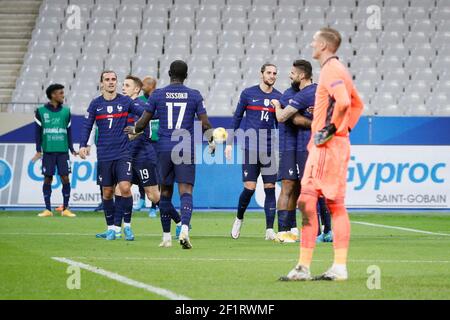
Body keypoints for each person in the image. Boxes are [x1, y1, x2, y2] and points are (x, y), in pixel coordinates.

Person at [280, 28, 364, 281]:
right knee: (336, 205)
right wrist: (343, 129)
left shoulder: (330, 69)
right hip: (337, 145)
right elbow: (357, 104)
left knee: (306, 201)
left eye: (315, 41)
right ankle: (339, 267)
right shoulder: (340, 70)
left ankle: (304, 267)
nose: (312, 44)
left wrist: (329, 130)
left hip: (326, 148)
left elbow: (345, 103)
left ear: (325, 45)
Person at [126, 60, 215, 249]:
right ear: (186, 75)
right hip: (185, 147)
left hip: (164, 148)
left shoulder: (158, 94)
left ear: (168, 73)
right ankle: (184, 228)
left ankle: (166, 237)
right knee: (186, 191)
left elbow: (143, 122)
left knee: (165, 192)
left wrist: (134, 128)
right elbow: (205, 123)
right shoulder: (194, 95)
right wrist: (211, 140)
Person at [78, 70, 145, 241]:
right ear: (101, 83)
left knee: (124, 188)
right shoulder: (95, 104)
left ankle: (127, 227)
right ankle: (111, 229)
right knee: (107, 193)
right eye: (107, 79)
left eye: (114, 79)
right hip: (104, 154)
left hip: (123, 153)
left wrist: (140, 125)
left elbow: (145, 113)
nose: (111, 82)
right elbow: (87, 125)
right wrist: (83, 145)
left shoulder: (126, 101)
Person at [226, 63, 282, 240]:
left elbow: (281, 124)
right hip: (250, 148)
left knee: (270, 189)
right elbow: (237, 117)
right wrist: (229, 143)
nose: (272, 76)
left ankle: (269, 230)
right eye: (269, 72)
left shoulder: (279, 97)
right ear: (261, 74)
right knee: (249, 189)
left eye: (274, 73)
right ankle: (239, 218)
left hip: (269, 150)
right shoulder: (248, 93)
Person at [32, 84, 77, 218]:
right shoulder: (40, 111)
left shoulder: (66, 111)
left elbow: (68, 132)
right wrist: (38, 150)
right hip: (48, 151)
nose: (63, 95)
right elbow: (37, 133)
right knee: (48, 178)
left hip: (63, 151)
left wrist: (71, 149)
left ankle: (65, 209)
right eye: (60, 93)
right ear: (53, 95)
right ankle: (47, 209)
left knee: (65, 178)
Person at [133, 76, 159, 218]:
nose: (142, 85)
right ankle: (142, 198)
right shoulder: (139, 101)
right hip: (143, 141)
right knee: (140, 172)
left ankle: (154, 207)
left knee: (156, 175)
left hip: (157, 141)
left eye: (146, 83)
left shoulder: (159, 99)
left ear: (152, 85)